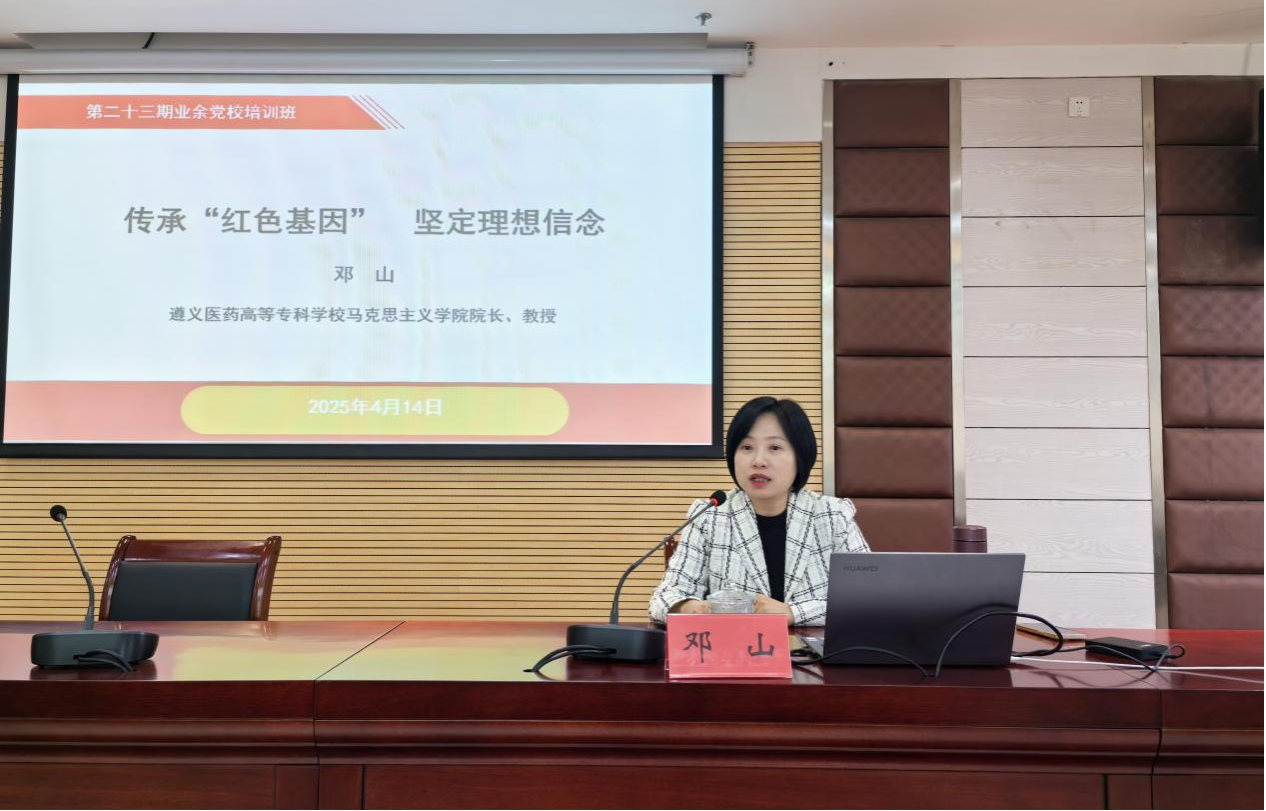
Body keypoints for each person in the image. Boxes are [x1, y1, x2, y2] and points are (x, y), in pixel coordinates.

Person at [649, 396, 869, 626]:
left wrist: (793, 613)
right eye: (747, 447)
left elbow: (867, 600)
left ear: (800, 456)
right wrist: (690, 607)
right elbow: (664, 597)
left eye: (774, 447)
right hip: (736, 646)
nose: (758, 461)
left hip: (815, 648)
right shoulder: (710, 516)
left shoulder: (832, 515)